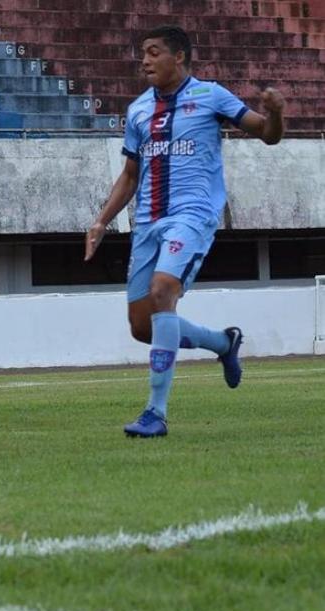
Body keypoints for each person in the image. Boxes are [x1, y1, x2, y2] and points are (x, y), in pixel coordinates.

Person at [84, 25, 284, 438]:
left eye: (154, 52)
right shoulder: (139, 110)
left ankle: (154, 414)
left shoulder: (211, 95)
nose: (144, 61)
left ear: (180, 57)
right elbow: (130, 173)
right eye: (143, 53)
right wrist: (102, 220)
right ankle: (222, 343)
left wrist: (276, 114)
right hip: (148, 223)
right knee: (143, 326)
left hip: (192, 216)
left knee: (162, 294)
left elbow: (266, 134)